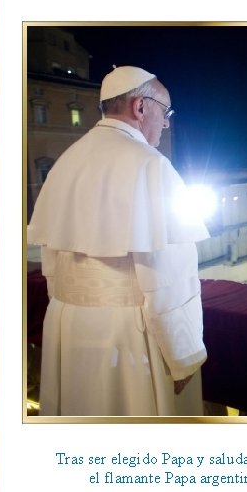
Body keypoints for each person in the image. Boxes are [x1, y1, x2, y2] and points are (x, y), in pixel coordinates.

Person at [28, 66, 210, 416]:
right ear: (141, 107)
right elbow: (170, 275)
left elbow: (51, 264)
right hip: (129, 338)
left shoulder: (66, 161)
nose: (167, 123)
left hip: (67, 326)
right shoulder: (150, 165)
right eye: (165, 111)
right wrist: (182, 355)